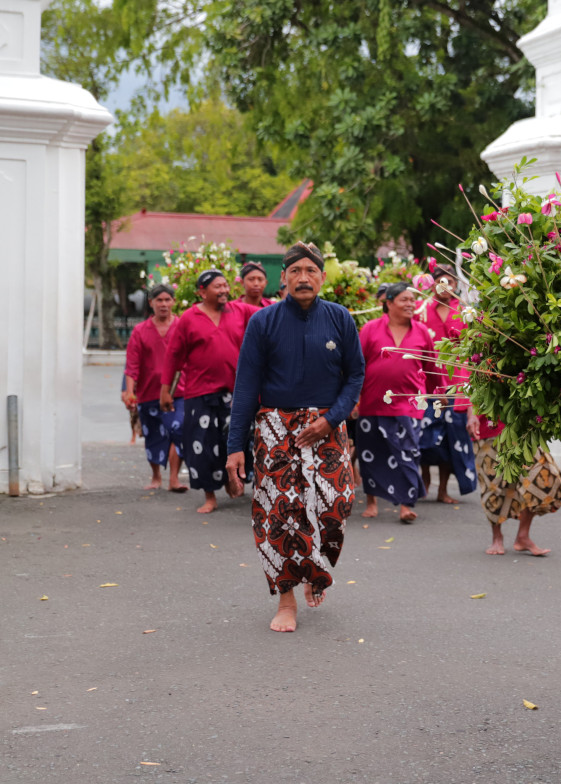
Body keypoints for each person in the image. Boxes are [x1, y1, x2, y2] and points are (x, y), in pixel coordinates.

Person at [226, 241, 365, 633]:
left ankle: (315, 570)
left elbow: (355, 374)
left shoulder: (340, 318)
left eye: (311, 270)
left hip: (328, 427)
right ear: (283, 278)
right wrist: (234, 447)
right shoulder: (263, 323)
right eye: (295, 271)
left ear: (322, 276)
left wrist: (332, 419)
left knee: (336, 505)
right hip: (274, 429)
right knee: (281, 515)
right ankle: (287, 599)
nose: (303, 277)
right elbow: (244, 387)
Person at [161, 269, 246, 514]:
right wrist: (166, 391)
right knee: (202, 445)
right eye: (217, 286)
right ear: (202, 291)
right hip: (199, 394)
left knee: (233, 441)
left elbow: (270, 316)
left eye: (225, 285)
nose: (223, 290)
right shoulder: (189, 318)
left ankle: (232, 481)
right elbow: (173, 356)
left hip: (233, 393)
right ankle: (210, 496)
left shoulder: (239, 311)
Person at [356, 282, 441, 524]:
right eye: (404, 299)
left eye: (413, 300)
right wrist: (354, 399)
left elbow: (431, 366)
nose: (410, 304)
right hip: (372, 403)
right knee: (371, 453)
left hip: (409, 404)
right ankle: (371, 502)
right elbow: (357, 367)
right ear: (389, 303)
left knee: (408, 453)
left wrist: (440, 392)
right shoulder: (370, 329)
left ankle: (406, 504)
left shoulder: (422, 332)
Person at [416, 264, 480, 503]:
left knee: (449, 439)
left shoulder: (465, 311)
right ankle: (424, 480)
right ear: (433, 284)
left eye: (449, 282)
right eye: (439, 281)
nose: (444, 286)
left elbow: (472, 350)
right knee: (425, 436)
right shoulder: (421, 310)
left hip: (456, 383)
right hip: (429, 383)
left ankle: (443, 489)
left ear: (455, 285)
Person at [475, 414, 561, 556]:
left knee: (541, 476)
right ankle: (497, 537)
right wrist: (471, 415)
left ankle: (523, 536)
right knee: (493, 486)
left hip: (524, 426)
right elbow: (466, 393)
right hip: (488, 427)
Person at [123, 283, 186, 492]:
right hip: (148, 393)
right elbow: (132, 365)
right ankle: (156, 476)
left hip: (179, 392)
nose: (164, 304)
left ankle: (174, 479)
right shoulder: (140, 331)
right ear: (151, 303)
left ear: (174, 302)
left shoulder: (182, 326)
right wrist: (129, 392)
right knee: (153, 436)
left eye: (168, 300)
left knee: (178, 430)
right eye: (159, 300)